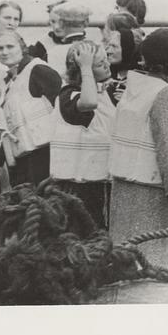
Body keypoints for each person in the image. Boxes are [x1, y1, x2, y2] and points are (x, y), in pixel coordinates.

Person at [107, 28, 168, 268]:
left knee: (126, 257)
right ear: (167, 60)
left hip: (123, 189)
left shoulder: (134, 87)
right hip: (152, 195)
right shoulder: (166, 94)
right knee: (155, 260)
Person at [49, 40, 117, 229]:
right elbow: (88, 103)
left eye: (106, 60)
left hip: (100, 180)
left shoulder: (105, 93)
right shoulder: (68, 95)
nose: (107, 65)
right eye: (99, 64)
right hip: (78, 185)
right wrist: (86, 67)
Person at [0, 30, 62, 186]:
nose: (4, 52)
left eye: (10, 46)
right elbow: (3, 127)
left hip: (46, 155)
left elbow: (62, 104)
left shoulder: (38, 69)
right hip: (23, 158)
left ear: (22, 47)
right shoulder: (8, 84)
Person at [45, 2, 93, 78]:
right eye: (52, 22)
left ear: (61, 23)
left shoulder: (54, 52)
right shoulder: (95, 47)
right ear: (87, 22)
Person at [103, 27, 142, 102]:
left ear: (127, 49)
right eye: (108, 46)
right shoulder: (104, 75)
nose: (108, 51)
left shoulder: (142, 79)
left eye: (114, 46)